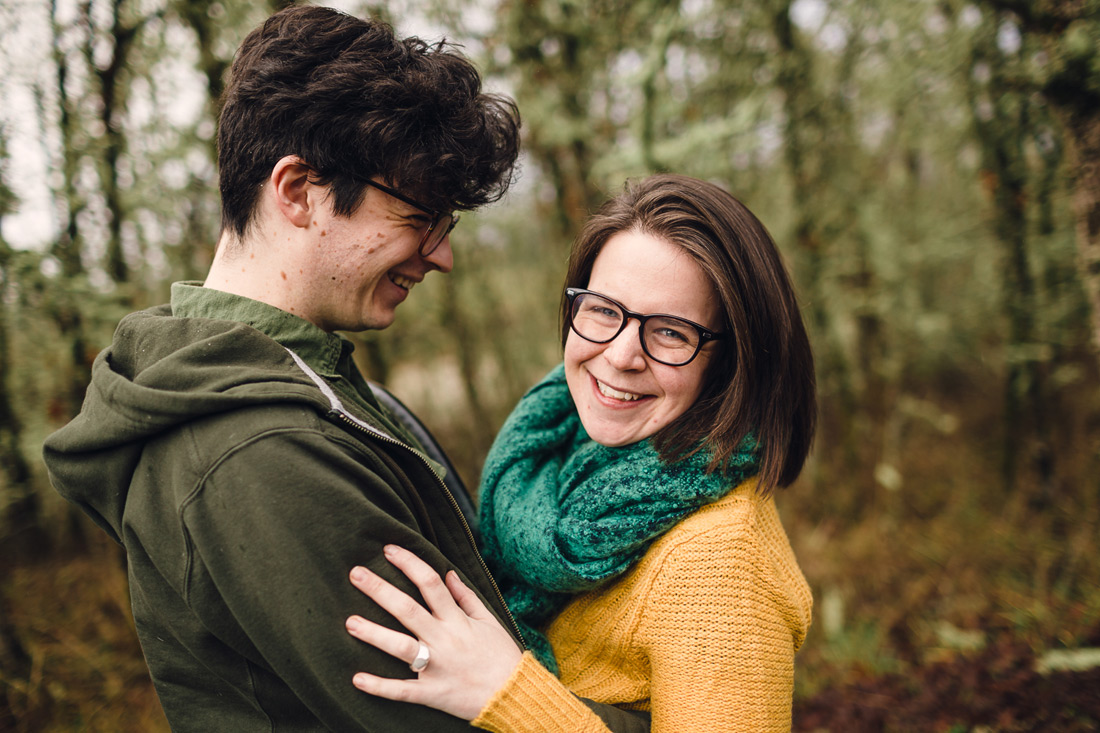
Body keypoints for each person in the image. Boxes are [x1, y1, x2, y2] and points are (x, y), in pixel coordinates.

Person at [42, 6, 649, 732]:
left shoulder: (310, 388)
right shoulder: (260, 455)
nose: (441, 255)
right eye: (419, 217)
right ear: (298, 191)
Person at [342, 174, 817, 731]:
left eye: (670, 333)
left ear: (731, 362)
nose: (619, 356)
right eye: (602, 309)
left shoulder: (722, 564)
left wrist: (507, 691)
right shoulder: (549, 455)